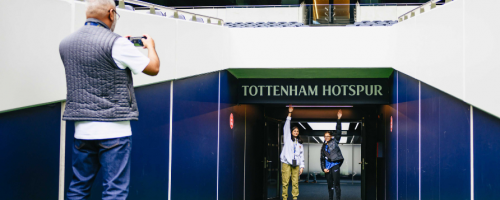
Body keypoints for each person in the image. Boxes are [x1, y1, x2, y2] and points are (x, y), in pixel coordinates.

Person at [59, 0, 160, 199]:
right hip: (115, 131)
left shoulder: (66, 43)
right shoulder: (117, 44)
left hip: (82, 130)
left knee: (78, 188)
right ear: (111, 13)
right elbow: (153, 68)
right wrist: (151, 47)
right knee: (115, 191)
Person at [280, 105, 305, 200]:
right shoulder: (287, 139)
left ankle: (295, 198)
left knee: (295, 182)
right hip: (286, 163)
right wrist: (289, 113)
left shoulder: (299, 143)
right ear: (291, 132)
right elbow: (286, 127)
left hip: (296, 164)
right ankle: (284, 198)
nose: (296, 132)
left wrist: (302, 166)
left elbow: (301, 155)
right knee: (285, 182)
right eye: (294, 131)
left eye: (297, 131)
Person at [320, 110, 345, 200]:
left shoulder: (335, 142)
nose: (326, 137)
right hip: (327, 168)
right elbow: (322, 159)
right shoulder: (323, 147)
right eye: (325, 136)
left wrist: (338, 119)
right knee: (330, 185)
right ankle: (330, 198)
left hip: (335, 165)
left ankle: (338, 198)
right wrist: (323, 168)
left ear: (331, 136)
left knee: (336, 184)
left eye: (328, 136)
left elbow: (338, 131)